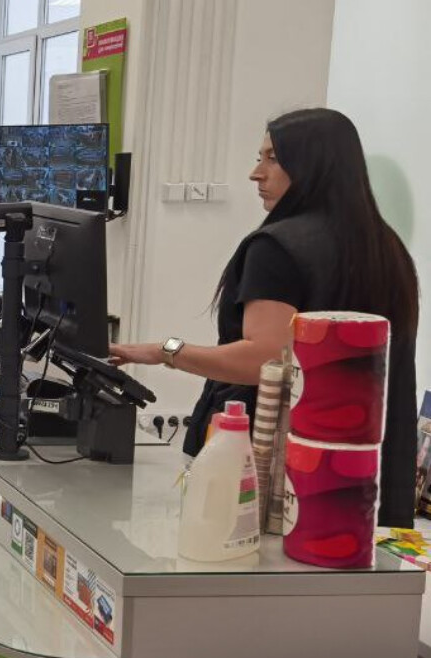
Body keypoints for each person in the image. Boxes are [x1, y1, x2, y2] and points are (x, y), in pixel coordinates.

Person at [110, 108, 420, 526]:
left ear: (314, 164)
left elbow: (266, 359)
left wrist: (164, 351)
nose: (256, 173)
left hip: (277, 481)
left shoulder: (277, 248)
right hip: (363, 483)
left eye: (273, 158)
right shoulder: (388, 249)